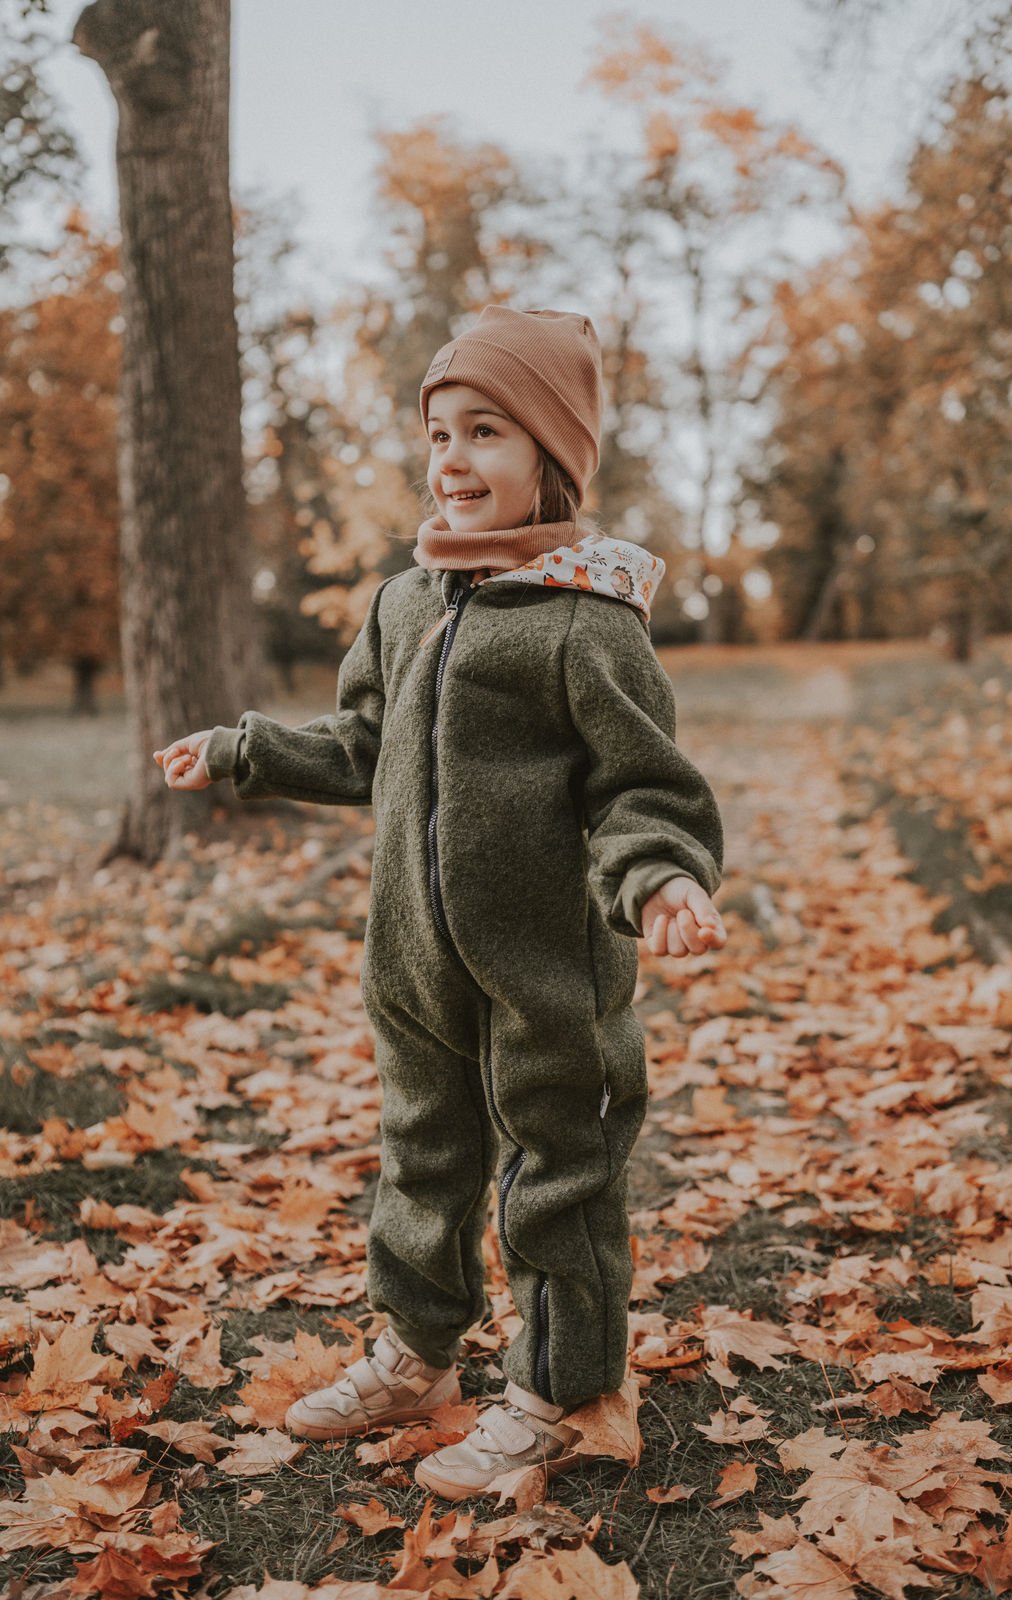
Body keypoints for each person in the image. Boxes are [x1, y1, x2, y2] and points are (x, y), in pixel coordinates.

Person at [154, 305, 727, 1502]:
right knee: (420, 1160)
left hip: (544, 979)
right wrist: (245, 751)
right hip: (411, 964)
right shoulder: (404, 603)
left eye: (485, 433)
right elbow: (364, 743)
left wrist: (661, 874)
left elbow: (640, 787)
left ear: (552, 459)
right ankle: (417, 1353)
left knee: (555, 1174)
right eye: (437, 434)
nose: (451, 461)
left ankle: (561, 1392)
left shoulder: (585, 623)